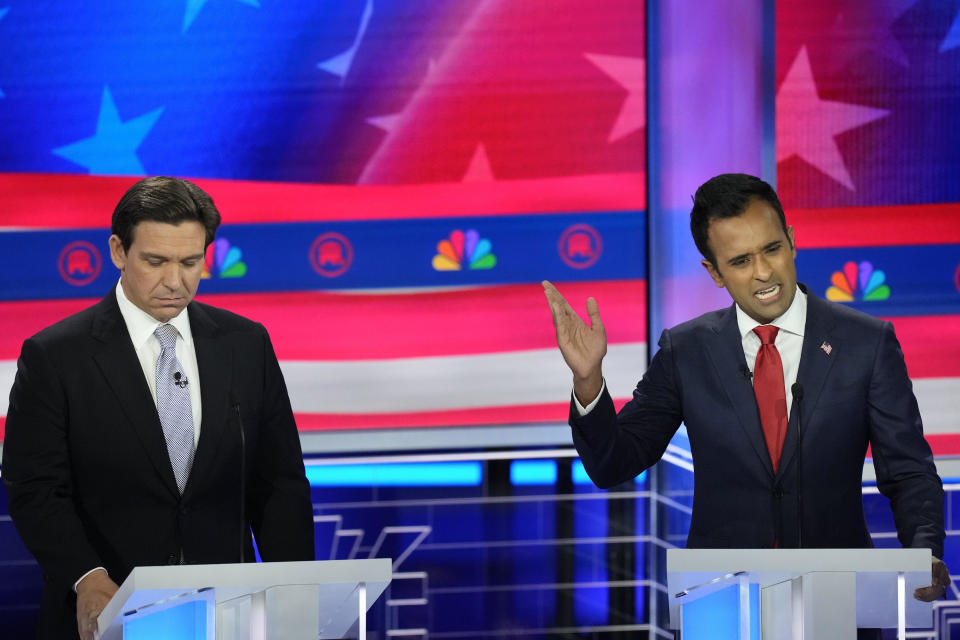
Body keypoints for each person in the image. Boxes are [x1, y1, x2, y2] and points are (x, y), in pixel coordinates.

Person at [543, 173, 949, 604]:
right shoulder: (687, 351)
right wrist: (588, 379)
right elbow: (614, 464)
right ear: (714, 272)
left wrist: (922, 551)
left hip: (836, 601)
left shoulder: (865, 343)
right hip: (721, 605)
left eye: (771, 249)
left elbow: (908, 471)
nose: (763, 273)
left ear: (791, 240)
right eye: (740, 261)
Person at [2, 176, 315, 640]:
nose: (174, 281)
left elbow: (279, 481)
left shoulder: (245, 344)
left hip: (226, 615)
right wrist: (86, 576)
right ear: (117, 252)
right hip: (109, 612)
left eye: (190, 262)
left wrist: (296, 594)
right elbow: (35, 488)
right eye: (155, 261)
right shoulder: (56, 356)